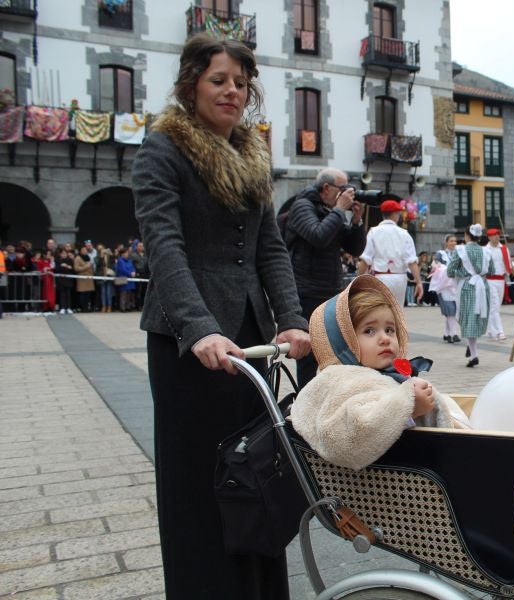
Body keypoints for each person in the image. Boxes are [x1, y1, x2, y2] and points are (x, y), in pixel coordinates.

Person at [132, 33, 310, 599]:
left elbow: (271, 249)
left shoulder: (252, 151)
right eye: (219, 80)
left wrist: (292, 319)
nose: (232, 91)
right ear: (192, 84)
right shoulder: (164, 147)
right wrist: (199, 326)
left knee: (255, 476)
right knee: (198, 486)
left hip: (251, 341)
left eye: (240, 82)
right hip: (190, 345)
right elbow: (164, 247)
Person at [291, 275, 470, 470]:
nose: (385, 338)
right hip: (384, 483)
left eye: (390, 330)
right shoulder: (341, 381)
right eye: (369, 331)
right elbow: (349, 435)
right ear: (342, 342)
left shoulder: (385, 375)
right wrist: (408, 408)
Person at [282, 167, 366, 388]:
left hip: (330, 291)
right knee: (309, 354)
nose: (348, 193)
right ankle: (305, 403)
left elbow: (354, 248)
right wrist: (339, 210)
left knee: (335, 349)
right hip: (307, 291)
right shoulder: (302, 207)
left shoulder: (329, 210)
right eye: (343, 188)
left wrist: (356, 221)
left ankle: (329, 396)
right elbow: (318, 236)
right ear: (327, 188)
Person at [358, 199, 423, 306]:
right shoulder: (404, 234)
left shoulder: (374, 232)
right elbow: (411, 261)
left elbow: (365, 260)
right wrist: (419, 282)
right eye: (398, 213)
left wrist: (358, 280)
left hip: (380, 278)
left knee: (379, 312)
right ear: (395, 214)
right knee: (397, 313)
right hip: (399, 279)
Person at [447, 224, 495, 367]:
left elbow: (450, 270)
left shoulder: (460, 250)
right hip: (483, 286)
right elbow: (491, 270)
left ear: (467, 236)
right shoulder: (486, 251)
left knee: (467, 318)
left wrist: (458, 274)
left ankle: (474, 354)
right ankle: (471, 344)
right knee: (475, 318)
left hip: (468, 286)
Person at [484, 228, 514, 340]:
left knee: (495, 306)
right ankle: (500, 331)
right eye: (493, 235)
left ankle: (491, 330)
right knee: (494, 305)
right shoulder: (485, 250)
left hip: (501, 280)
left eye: (497, 235)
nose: (496, 237)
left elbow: (510, 264)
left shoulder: (504, 249)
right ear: (489, 237)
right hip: (489, 280)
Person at [429, 234, 461, 343]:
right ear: (446, 243)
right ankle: (454, 333)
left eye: (455, 241)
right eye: (451, 241)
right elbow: (435, 264)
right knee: (450, 309)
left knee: (453, 309)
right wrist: (442, 268)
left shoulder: (458, 254)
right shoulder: (441, 254)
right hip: (444, 286)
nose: (454, 243)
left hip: (455, 285)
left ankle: (447, 334)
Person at [73, 245, 95, 313]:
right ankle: (82, 307)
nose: (85, 251)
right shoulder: (78, 258)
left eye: (86, 250)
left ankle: (87, 307)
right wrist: (86, 267)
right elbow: (76, 268)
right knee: (83, 294)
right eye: (83, 250)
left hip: (89, 279)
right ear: (80, 251)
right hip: (82, 279)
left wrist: (91, 268)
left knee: (88, 294)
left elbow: (91, 267)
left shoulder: (88, 258)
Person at [115, 247, 137, 312]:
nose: (128, 254)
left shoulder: (130, 260)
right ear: (122, 254)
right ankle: (122, 307)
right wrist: (130, 273)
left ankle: (128, 307)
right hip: (123, 279)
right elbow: (122, 269)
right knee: (123, 294)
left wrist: (134, 272)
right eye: (126, 253)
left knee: (129, 294)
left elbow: (133, 267)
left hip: (130, 280)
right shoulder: (120, 260)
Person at [95, 244, 116, 313]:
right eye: (100, 249)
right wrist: (101, 256)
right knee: (103, 292)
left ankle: (109, 306)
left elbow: (114, 263)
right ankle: (104, 306)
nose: (102, 250)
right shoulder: (97, 256)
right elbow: (98, 265)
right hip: (102, 276)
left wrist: (112, 255)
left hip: (109, 275)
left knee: (109, 292)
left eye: (102, 249)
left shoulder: (109, 256)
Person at [54, 248, 75, 315]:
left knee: (68, 294)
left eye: (65, 253)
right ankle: (62, 308)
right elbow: (56, 269)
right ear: (60, 254)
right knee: (62, 294)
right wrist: (61, 266)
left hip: (68, 280)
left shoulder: (70, 260)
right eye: (62, 253)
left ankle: (68, 308)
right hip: (61, 280)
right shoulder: (58, 260)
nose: (64, 255)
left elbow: (73, 270)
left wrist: (69, 267)